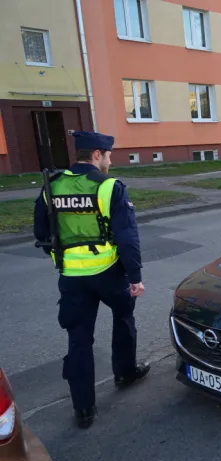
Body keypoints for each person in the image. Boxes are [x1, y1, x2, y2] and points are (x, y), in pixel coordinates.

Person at [33, 131, 150, 429]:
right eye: (108, 154)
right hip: (109, 273)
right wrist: (135, 276)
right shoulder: (109, 187)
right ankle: (125, 373)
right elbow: (127, 237)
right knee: (123, 319)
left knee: (79, 341)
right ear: (97, 155)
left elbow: (41, 234)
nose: (110, 160)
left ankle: (83, 409)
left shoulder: (52, 186)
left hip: (72, 279)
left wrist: (62, 262)